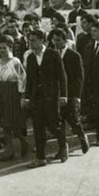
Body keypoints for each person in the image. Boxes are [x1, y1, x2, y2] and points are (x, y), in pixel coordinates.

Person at [23, 29, 68, 167]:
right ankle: (40, 158)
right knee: (38, 127)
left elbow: (62, 77)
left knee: (54, 124)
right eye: (29, 40)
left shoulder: (53, 55)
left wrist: (63, 95)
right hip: (37, 98)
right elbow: (29, 80)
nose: (31, 43)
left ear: (42, 40)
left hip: (51, 96)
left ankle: (63, 146)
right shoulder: (30, 57)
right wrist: (27, 97)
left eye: (34, 40)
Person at [52, 28, 89, 155]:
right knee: (58, 122)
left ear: (65, 40)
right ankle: (62, 147)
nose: (55, 43)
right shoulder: (51, 54)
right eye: (53, 40)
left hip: (70, 93)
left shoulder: (74, 55)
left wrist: (77, 96)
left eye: (58, 40)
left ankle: (82, 136)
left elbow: (79, 77)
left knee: (73, 119)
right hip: (56, 94)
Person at [0, 34, 27, 162]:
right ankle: (9, 150)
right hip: (1, 92)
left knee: (13, 122)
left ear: (10, 48)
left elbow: (22, 79)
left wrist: (22, 96)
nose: (1, 50)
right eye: (0, 48)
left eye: (4, 48)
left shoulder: (15, 62)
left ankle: (23, 142)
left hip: (12, 93)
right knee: (3, 124)